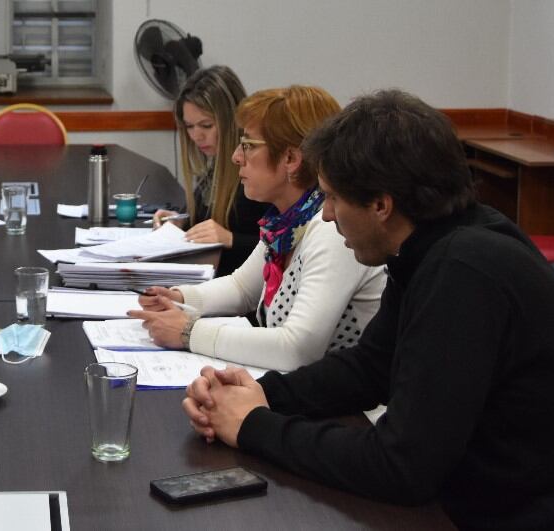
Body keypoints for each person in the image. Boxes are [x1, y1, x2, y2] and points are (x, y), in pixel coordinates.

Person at [183, 90, 554, 529]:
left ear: (381, 205)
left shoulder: (463, 271)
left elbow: (401, 467)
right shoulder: (431, 241)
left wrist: (253, 426)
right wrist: (263, 394)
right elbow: (372, 366)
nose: (324, 216)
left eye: (334, 198)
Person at [130, 86, 386, 372]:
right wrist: (178, 298)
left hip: (354, 412)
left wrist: (189, 332)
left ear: (291, 158)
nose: (236, 156)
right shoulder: (287, 223)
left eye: (248, 145)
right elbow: (243, 288)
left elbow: (297, 348)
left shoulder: (331, 228)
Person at [154, 66, 268, 275]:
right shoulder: (212, 168)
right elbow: (207, 220)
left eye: (206, 125)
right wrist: (181, 222)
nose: (196, 136)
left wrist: (231, 240)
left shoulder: (259, 175)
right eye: (189, 126)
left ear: (232, 122)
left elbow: (285, 247)